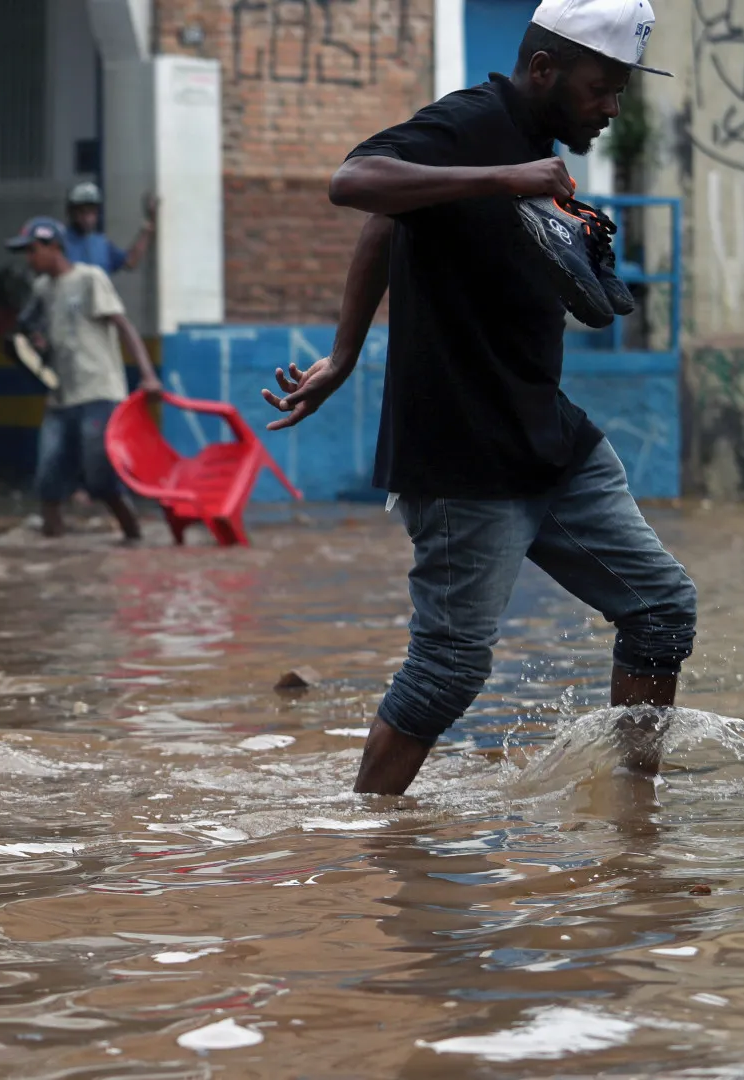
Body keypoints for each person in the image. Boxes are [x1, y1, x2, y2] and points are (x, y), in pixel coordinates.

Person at [260, 0, 696, 795]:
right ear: (543, 71)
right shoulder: (476, 124)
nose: (611, 107)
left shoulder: (539, 148)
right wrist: (501, 178)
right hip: (461, 454)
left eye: (622, 91)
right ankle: (370, 835)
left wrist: (344, 353)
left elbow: (390, 224)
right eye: (602, 88)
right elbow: (354, 185)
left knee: (661, 609)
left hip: (548, 438)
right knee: (448, 671)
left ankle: (637, 815)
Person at [5, 217, 163, 540]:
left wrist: (148, 375)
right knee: (48, 480)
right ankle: (53, 552)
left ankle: (133, 538)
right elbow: (32, 334)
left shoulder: (90, 279)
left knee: (100, 478)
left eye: (33, 250)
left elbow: (124, 327)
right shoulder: (42, 290)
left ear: (54, 247)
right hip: (61, 396)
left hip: (99, 393)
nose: (29, 259)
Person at [61, 181, 157, 275]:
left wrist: (149, 225)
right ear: (71, 213)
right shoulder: (60, 242)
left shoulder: (101, 244)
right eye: (82, 212)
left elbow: (131, 261)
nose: (88, 218)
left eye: (92, 212)